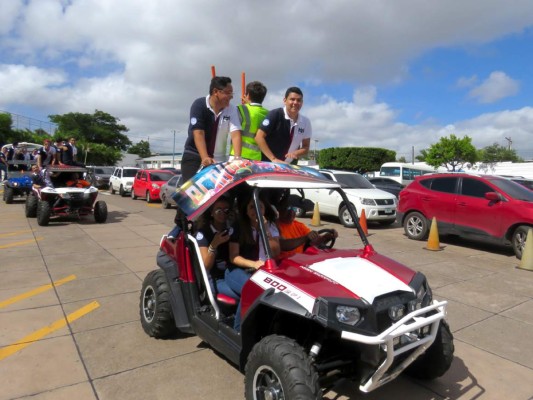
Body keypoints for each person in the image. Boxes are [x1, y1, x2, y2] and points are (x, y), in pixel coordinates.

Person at [227, 191, 280, 331]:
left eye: (259, 207)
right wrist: (254, 264)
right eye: (252, 207)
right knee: (251, 289)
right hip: (239, 270)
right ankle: (238, 331)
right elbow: (234, 257)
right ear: (246, 210)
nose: (255, 210)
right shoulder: (238, 227)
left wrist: (266, 230)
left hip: (263, 271)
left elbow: (276, 252)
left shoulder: (271, 226)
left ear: (264, 209)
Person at [180, 76, 243, 182]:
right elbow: (198, 133)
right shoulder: (199, 105)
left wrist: (237, 158)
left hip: (218, 160)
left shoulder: (232, 109)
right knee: (193, 194)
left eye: (232, 93)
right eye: (228, 93)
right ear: (215, 92)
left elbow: (236, 134)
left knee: (224, 194)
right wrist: (204, 157)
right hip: (194, 156)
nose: (231, 96)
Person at [195, 196, 239, 299]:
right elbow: (206, 265)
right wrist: (214, 245)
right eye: (218, 210)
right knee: (242, 296)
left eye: (226, 210)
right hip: (215, 278)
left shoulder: (231, 230)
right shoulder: (203, 234)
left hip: (233, 273)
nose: (223, 213)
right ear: (211, 212)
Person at [255, 86, 312, 164]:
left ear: (302, 103)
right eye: (292, 99)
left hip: (288, 166)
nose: (295, 102)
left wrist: (296, 153)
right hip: (269, 164)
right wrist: (273, 159)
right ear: (285, 100)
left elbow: (306, 147)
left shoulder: (306, 122)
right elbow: (258, 137)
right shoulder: (275, 114)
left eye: (299, 100)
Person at [229, 81, 268, 161]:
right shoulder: (268, 114)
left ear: (248, 95)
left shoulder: (239, 109)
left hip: (237, 155)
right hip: (256, 158)